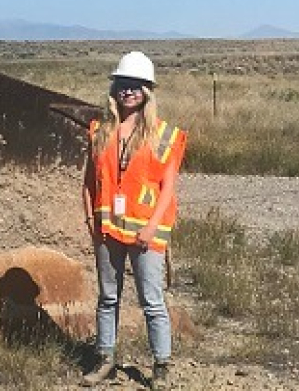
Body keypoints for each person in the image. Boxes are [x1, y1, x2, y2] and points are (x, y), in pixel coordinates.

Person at [81, 51, 186, 388]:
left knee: (151, 301)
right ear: (115, 89)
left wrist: (152, 226)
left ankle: (161, 366)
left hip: (146, 233)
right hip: (108, 230)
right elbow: (87, 182)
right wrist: (90, 222)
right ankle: (105, 360)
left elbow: (168, 189)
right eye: (123, 85)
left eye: (136, 86)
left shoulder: (165, 136)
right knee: (108, 298)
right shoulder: (99, 130)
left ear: (148, 92)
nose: (128, 92)